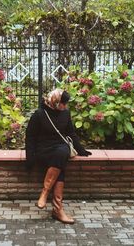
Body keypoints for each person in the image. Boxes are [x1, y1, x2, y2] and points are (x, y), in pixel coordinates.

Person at [25, 88, 92, 224]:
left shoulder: (65, 113)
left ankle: (45, 193)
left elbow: (71, 133)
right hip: (43, 149)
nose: (65, 106)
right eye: (63, 103)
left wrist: (81, 150)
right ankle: (57, 210)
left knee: (61, 153)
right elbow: (30, 138)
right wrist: (30, 158)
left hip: (60, 146)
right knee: (60, 162)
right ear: (56, 102)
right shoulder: (39, 115)